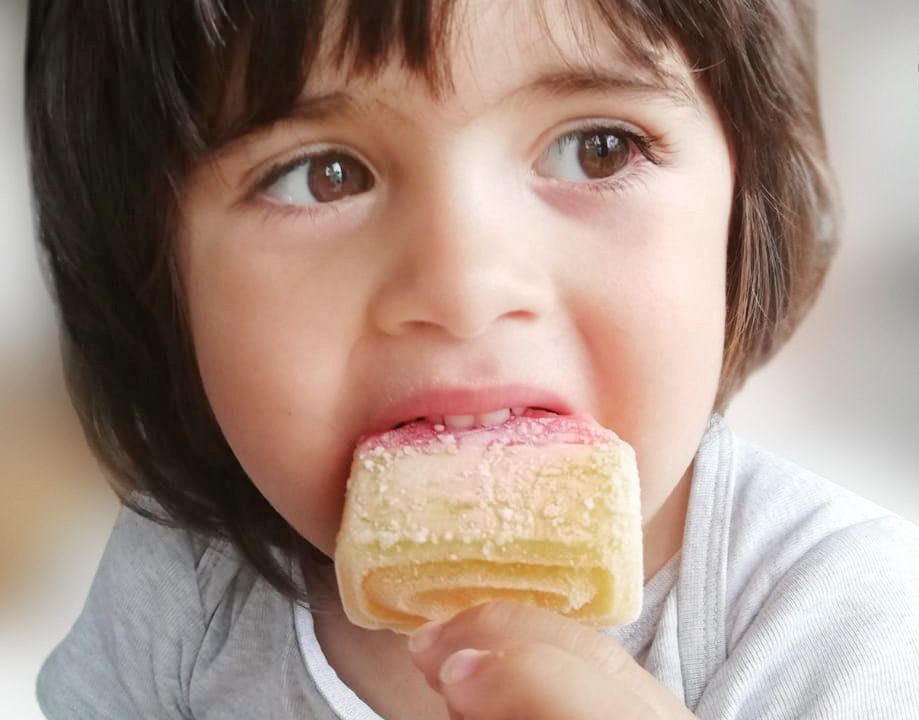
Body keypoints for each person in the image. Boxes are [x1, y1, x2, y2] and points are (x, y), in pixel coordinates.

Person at [26, 0, 919, 718]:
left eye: (595, 148)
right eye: (323, 174)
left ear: (743, 215)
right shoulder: (184, 585)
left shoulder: (843, 625)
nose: (463, 288)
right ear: (152, 278)